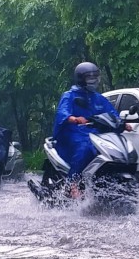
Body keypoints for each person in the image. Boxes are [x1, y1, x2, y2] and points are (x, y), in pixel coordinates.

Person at [53, 61, 128, 196]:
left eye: (95, 77)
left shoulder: (98, 98)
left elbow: (112, 113)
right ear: (81, 79)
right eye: (90, 78)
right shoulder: (69, 95)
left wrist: (122, 123)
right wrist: (74, 119)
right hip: (73, 133)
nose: (94, 81)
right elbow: (62, 112)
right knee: (85, 148)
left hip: (95, 133)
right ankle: (72, 183)